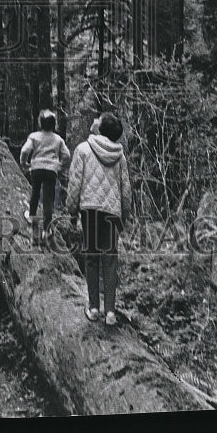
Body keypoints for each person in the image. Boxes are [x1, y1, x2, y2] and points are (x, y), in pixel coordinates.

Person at [66, 112, 132, 326]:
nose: (93, 120)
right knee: (110, 260)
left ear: (101, 128)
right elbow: (126, 189)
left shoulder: (83, 150)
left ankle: (94, 308)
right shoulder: (120, 156)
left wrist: (71, 209)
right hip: (112, 212)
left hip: (90, 210)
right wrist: (125, 215)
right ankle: (111, 313)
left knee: (92, 257)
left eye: (98, 119)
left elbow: (75, 183)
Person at [20, 109, 71, 246]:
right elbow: (67, 155)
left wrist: (24, 163)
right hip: (51, 170)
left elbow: (25, 150)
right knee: (48, 198)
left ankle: (31, 217)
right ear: (54, 124)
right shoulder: (58, 139)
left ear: (40, 123)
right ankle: (47, 230)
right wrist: (60, 166)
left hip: (36, 168)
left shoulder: (34, 136)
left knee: (35, 193)